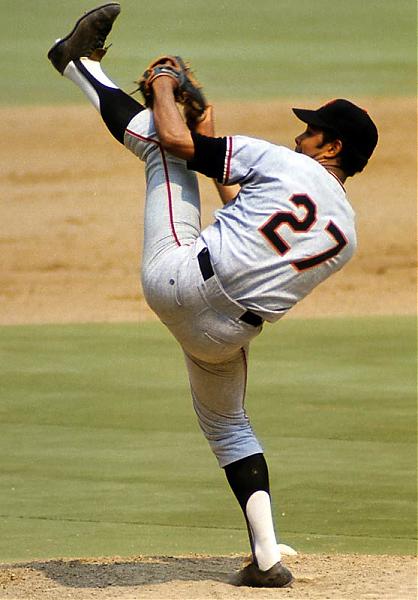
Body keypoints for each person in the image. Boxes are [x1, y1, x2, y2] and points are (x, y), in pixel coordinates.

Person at [47, 3, 378, 588]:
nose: (299, 135)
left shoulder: (283, 162)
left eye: (311, 130)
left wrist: (163, 82)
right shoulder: (346, 235)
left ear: (331, 147)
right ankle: (267, 556)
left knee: (158, 147)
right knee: (229, 427)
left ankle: (76, 65)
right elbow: (243, 212)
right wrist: (204, 125)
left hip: (177, 277)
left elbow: (176, 142)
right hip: (224, 336)